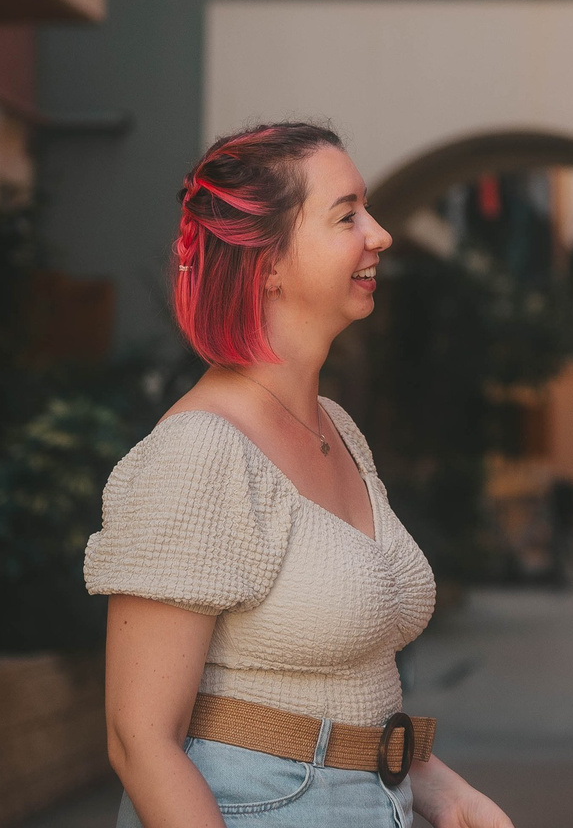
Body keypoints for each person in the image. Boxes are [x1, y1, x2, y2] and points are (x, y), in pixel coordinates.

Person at [85, 123, 513, 828]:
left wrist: (443, 790)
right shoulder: (199, 451)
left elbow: (338, 676)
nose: (379, 234)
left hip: (377, 800)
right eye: (348, 215)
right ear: (270, 264)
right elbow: (139, 739)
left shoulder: (337, 427)